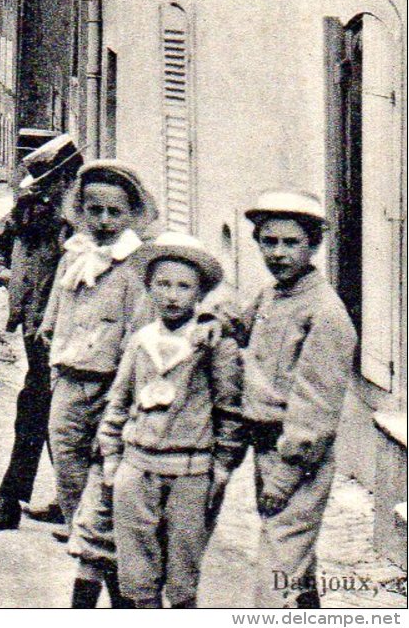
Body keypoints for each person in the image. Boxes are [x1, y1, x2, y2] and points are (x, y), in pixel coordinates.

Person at [98, 232, 243, 608]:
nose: (172, 295)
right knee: (136, 571)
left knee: (182, 571)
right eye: (163, 284)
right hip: (137, 466)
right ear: (149, 288)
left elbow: (229, 411)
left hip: (189, 471)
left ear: (200, 294)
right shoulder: (140, 340)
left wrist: (222, 465)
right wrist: (112, 459)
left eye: (184, 286)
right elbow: (118, 400)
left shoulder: (214, 345)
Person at [40, 159, 158, 608]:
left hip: (110, 389)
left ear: (132, 214)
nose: (104, 221)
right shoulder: (76, 254)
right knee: (69, 475)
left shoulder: (135, 266)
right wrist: (54, 363)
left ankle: (118, 591)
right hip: (69, 382)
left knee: (109, 489)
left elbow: (137, 335)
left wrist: (120, 398)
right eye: (95, 210)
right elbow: (57, 316)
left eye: (115, 212)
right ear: (81, 210)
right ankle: (97, 572)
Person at [236, 190, 357, 608]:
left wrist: (287, 475)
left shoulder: (325, 312)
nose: (279, 253)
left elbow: (316, 409)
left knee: (276, 571)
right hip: (265, 444)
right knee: (295, 563)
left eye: (291, 243)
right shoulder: (274, 294)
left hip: (299, 458)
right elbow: (240, 325)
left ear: (313, 246)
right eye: (269, 242)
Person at [0, 133, 84, 531]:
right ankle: (64, 501)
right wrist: (3, 274)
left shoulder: (86, 223)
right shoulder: (28, 212)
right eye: (47, 182)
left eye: (59, 179)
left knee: (46, 412)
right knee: (43, 409)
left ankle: (17, 502)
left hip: (75, 334)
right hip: (36, 331)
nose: (54, 189)